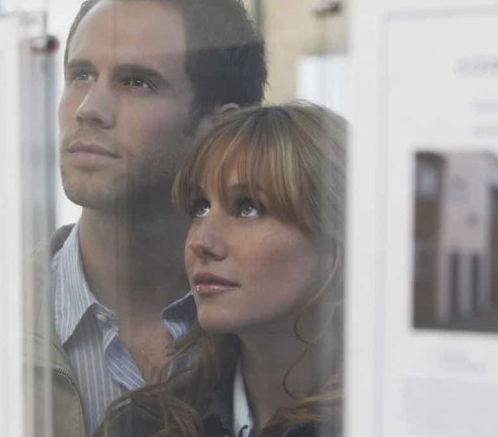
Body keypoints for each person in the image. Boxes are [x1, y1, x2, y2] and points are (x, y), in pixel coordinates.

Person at [31, 0, 266, 437]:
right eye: (80, 75)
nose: (89, 109)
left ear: (219, 128)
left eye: (136, 81)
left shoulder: (280, 326)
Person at [99, 102, 347, 437]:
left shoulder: (401, 419)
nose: (201, 241)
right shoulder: (141, 426)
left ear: (335, 243)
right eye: (200, 207)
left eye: (248, 208)